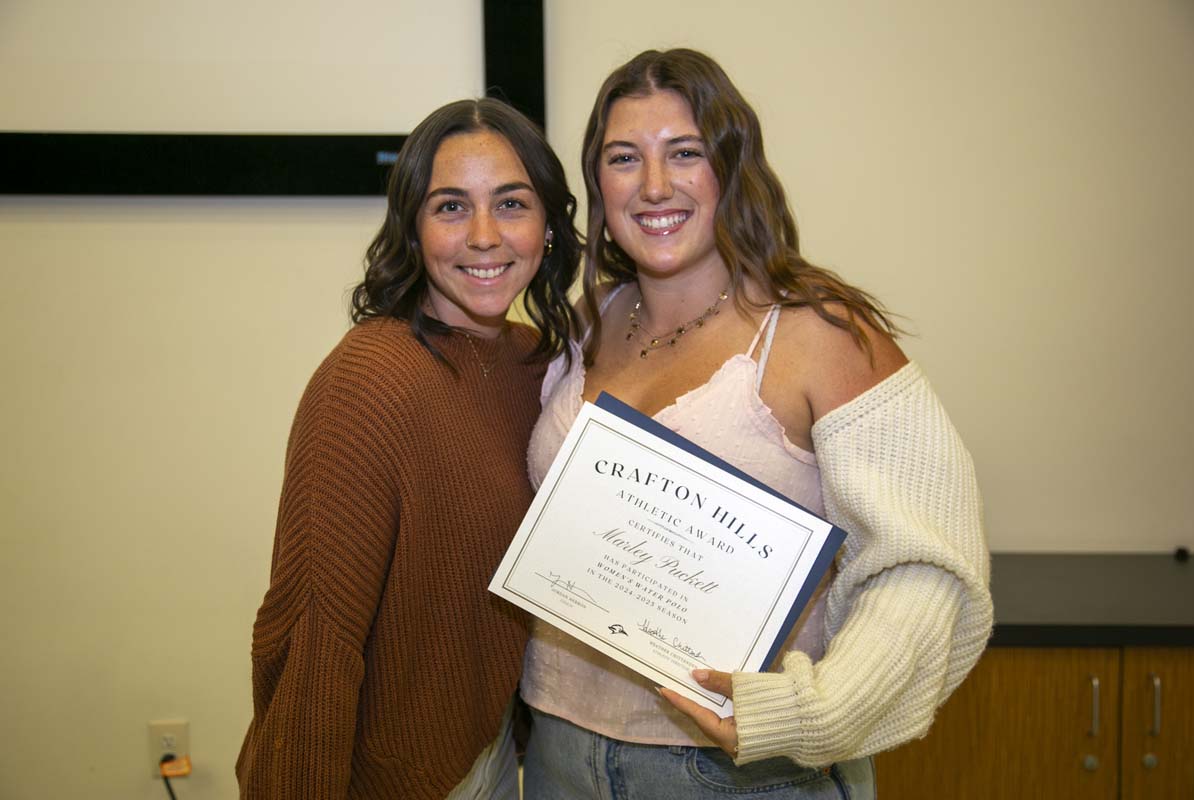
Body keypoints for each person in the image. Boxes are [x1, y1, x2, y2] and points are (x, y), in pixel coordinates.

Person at [519, 49, 992, 798]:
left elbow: (923, 564)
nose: (654, 186)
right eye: (623, 158)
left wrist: (816, 714)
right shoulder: (586, 322)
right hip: (556, 754)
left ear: (731, 168)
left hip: (739, 774)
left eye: (685, 153)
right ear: (597, 185)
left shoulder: (821, 336)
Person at [235, 98, 580, 800]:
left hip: (491, 761)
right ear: (413, 229)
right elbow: (314, 633)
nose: (485, 236)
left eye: (512, 203)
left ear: (547, 226)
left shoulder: (537, 368)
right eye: (451, 208)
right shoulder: (368, 381)